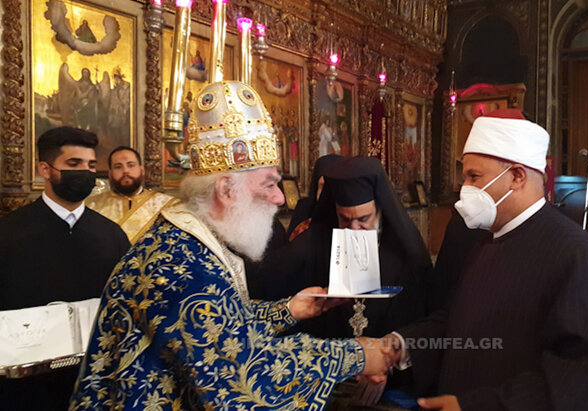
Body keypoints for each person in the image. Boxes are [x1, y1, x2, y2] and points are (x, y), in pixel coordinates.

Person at [69, 81, 390, 410]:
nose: (280, 198)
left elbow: (221, 325)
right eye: (269, 184)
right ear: (226, 190)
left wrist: (289, 309)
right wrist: (358, 355)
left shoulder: (192, 240)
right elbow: (246, 374)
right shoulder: (180, 264)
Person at [382, 111, 588, 410]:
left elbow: (580, 371)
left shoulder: (576, 255)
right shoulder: (485, 240)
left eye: (474, 177)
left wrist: (476, 406)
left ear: (517, 176)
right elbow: (456, 322)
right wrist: (397, 346)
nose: (464, 188)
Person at [0, 126, 130, 410]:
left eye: (91, 165)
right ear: (44, 169)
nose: (85, 172)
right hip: (26, 388)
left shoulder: (112, 234)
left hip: (98, 378)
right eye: (74, 164)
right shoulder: (9, 233)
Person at [261, 156, 432, 339]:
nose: (354, 228)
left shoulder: (406, 251)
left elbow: (422, 319)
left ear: (380, 209)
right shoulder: (314, 243)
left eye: (364, 219)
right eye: (345, 219)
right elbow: (269, 280)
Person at [86, 146, 176, 244]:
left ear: (142, 170)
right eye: (118, 167)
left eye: (131, 165)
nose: (125, 171)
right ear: (110, 174)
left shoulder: (167, 205)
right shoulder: (91, 205)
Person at [286, 154, 343, 241]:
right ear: (316, 188)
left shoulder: (349, 215)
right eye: (323, 186)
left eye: (332, 187)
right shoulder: (304, 208)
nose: (327, 194)